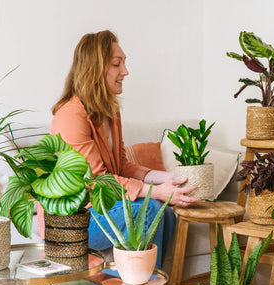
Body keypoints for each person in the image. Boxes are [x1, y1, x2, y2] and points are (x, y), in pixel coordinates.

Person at [50, 30, 200, 268]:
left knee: (167, 213)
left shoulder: (110, 111)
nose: (125, 72)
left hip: (101, 208)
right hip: (73, 219)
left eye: (124, 63)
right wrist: (156, 191)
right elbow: (97, 181)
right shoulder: (70, 116)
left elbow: (122, 166)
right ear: (95, 69)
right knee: (150, 209)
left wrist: (166, 178)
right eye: (117, 64)